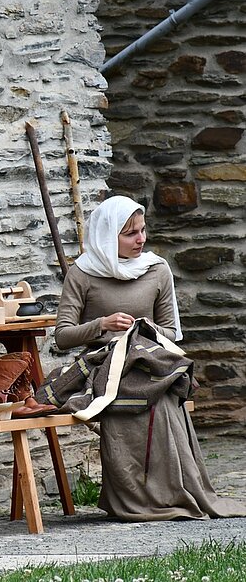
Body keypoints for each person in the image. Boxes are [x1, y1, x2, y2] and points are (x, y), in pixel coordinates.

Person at [36, 195, 246, 521]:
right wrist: (101, 325)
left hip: (149, 361)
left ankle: (171, 491)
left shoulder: (156, 269)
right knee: (140, 396)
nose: (140, 239)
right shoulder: (83, 273)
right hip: (103, 366)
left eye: (143, 230)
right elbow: (62, 336)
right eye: (130, 233)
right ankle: (134, 494)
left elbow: (171, 333)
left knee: (164, 397)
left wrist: (143, 327)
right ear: (108, 236)